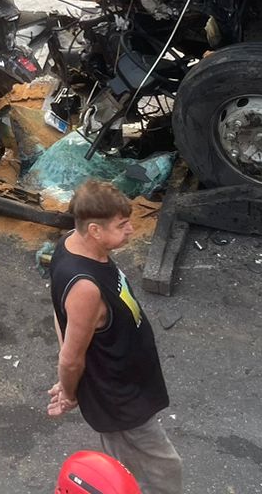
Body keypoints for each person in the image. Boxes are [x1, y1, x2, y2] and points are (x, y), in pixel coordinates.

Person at [48, 178, 181, 494]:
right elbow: (70, 358)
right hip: (120, 401)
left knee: (146, 472)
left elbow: (59, 314)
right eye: (122, 225)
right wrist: (69, 391)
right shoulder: (85, 287)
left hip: (128, 384)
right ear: (94, 230)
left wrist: (71, 375)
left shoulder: (71, 243)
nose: (131, 230)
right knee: (161, 476)